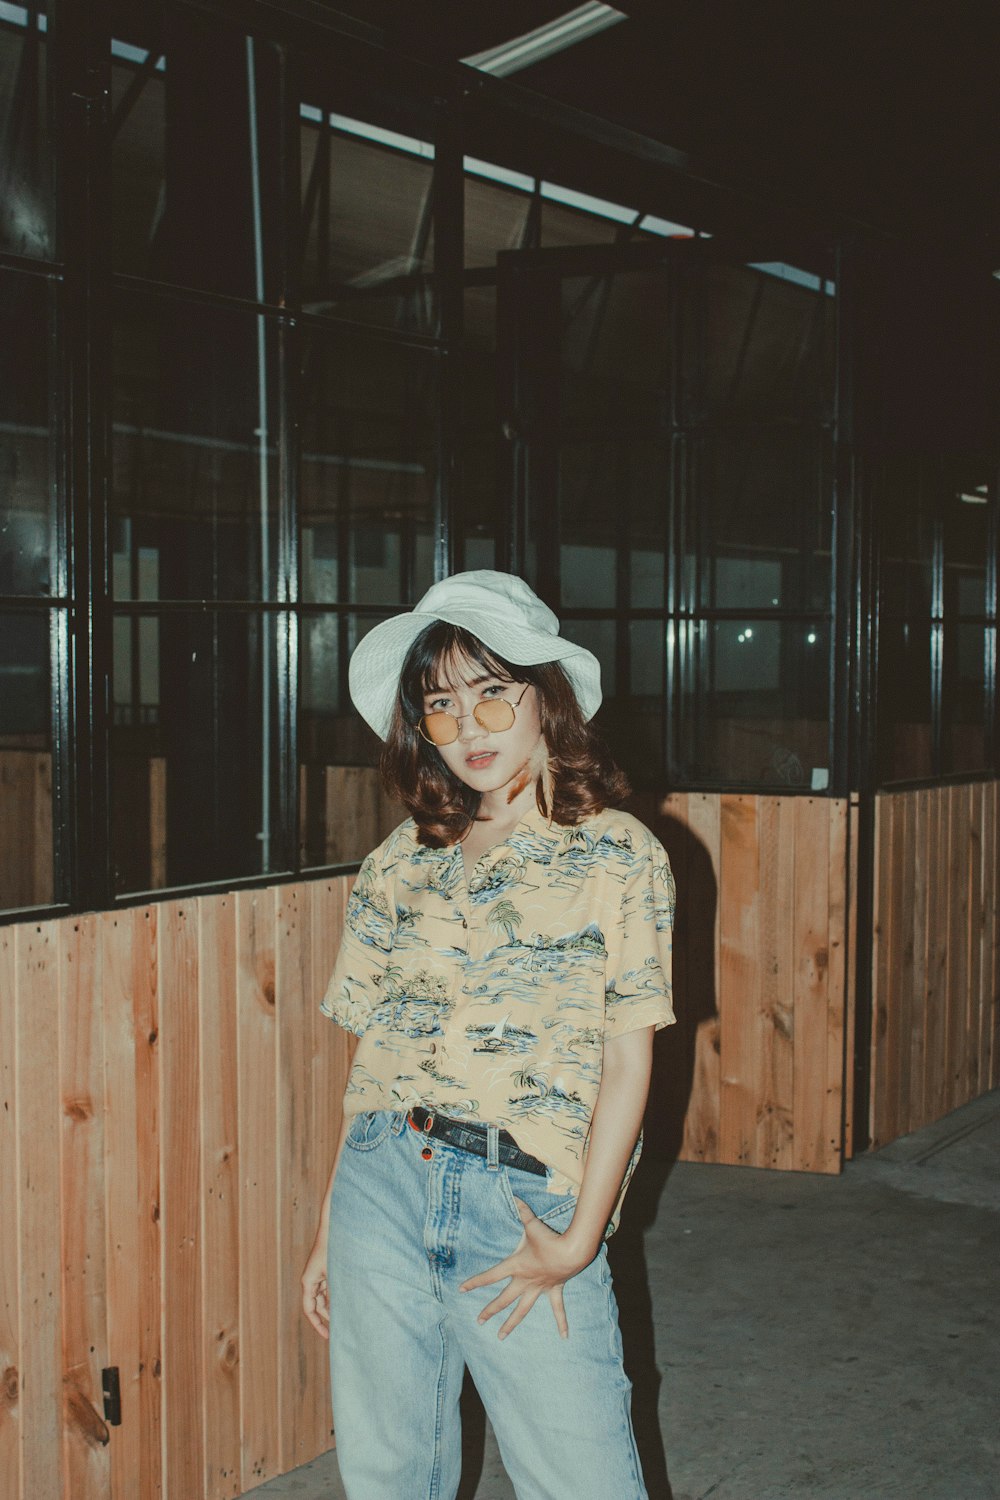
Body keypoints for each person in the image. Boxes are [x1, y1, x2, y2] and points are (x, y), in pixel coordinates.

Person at [301, 570, 675, 1500]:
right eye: (439, 705)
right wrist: (327, 1228)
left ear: (547, 698)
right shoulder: (399, 861)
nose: (467, 727)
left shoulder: (620, 855)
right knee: (389, 1473)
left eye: (491, 693)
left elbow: (631, 1062)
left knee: (582, 1476)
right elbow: (373, 1058)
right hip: (381, 1184)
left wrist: (581, 1236)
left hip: (524, 1200)